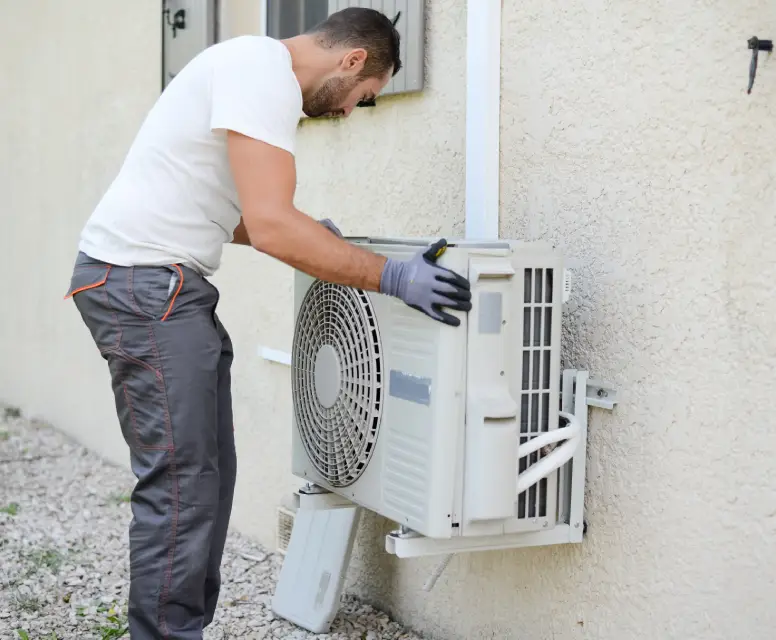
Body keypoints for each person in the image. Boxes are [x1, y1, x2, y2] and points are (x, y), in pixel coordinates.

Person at [64, 7, 471, 639]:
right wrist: (392, 276)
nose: (346, 113)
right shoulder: (263, 73)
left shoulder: (244, 69)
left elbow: (234, 216)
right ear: (353, 60)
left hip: (154, 286)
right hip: (147, 290)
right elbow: (275, 224)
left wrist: (315, 240)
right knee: (182, 486)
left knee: (206, 477)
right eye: (363, 100)